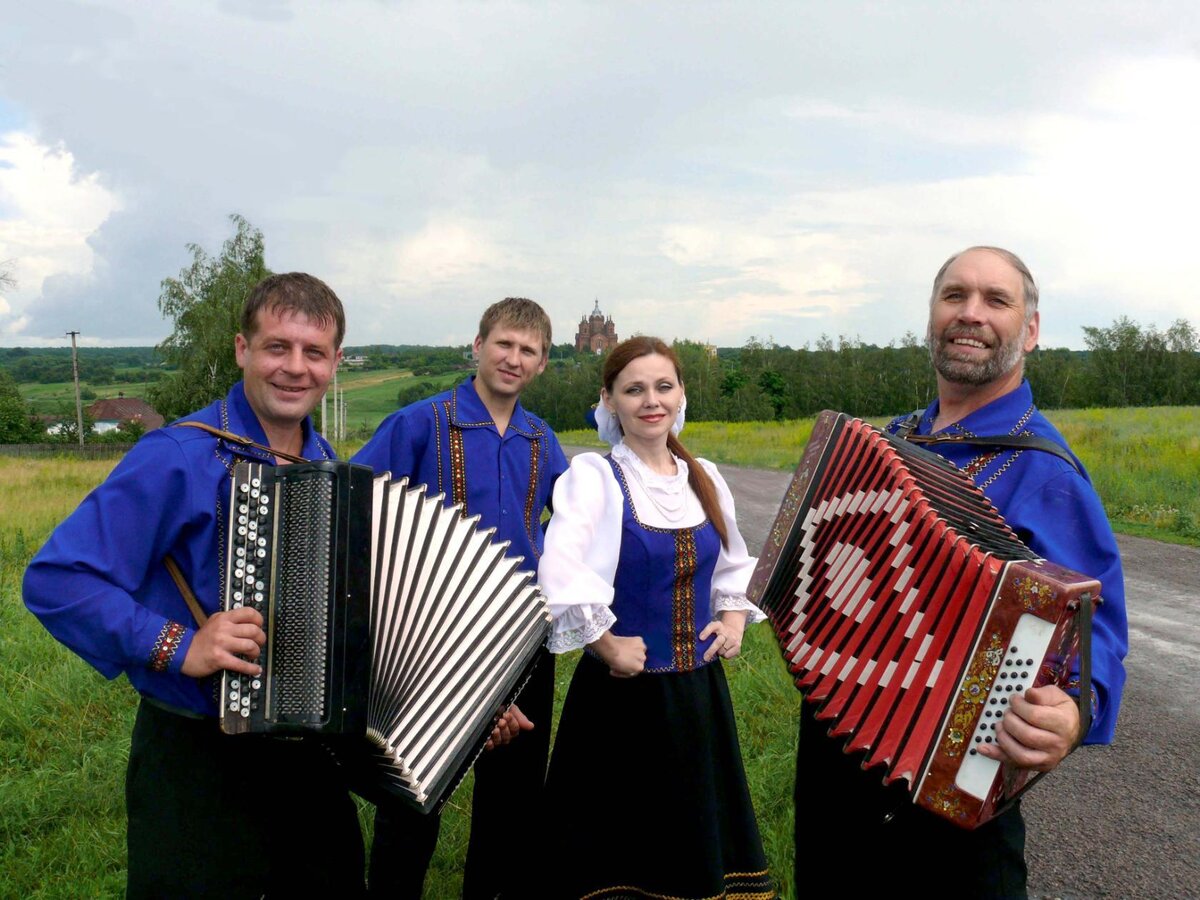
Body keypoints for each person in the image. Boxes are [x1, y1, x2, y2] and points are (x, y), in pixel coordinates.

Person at [792, 246, 1128, 898]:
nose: (970, 314)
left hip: (949, 811)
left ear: (1030, 330)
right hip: (836, 770)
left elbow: (1098, 630)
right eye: (954, 296)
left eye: (996, 300)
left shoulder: (1045, 473)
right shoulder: (890, 443)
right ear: (931, 317)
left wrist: (1076, 708)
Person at [23, 273, 365, 898]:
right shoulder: (176, 455)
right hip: (195, 762)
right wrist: (180, 645)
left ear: (336, 363)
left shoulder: (331, 472)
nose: (294, 368)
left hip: (311, 765)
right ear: (242, 349)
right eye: (276, 347)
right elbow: (56, 580)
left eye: (313, 352)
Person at [534, 336, 776, 899]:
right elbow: (560, 566)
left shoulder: (705, 476)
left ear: (681, 394)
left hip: (697, 696)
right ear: (610, 401)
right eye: (634, 389)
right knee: (616, 847)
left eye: (663, 386)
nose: (651, 400)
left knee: (692, 835)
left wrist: (734, 620)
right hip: (620, 699)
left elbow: (733, 564)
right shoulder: (594, 477)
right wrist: (605, 642)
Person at [352, 296, 568, 899]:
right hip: (430, 636)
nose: (513, 358)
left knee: (514, 793)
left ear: (543, 364)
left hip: (521, 635)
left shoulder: (540, 439)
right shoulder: (420, 423)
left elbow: (575, 525)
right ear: (477, 346)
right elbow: (354, 508)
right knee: (415, 794)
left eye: (528, 350)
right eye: (503, 343)